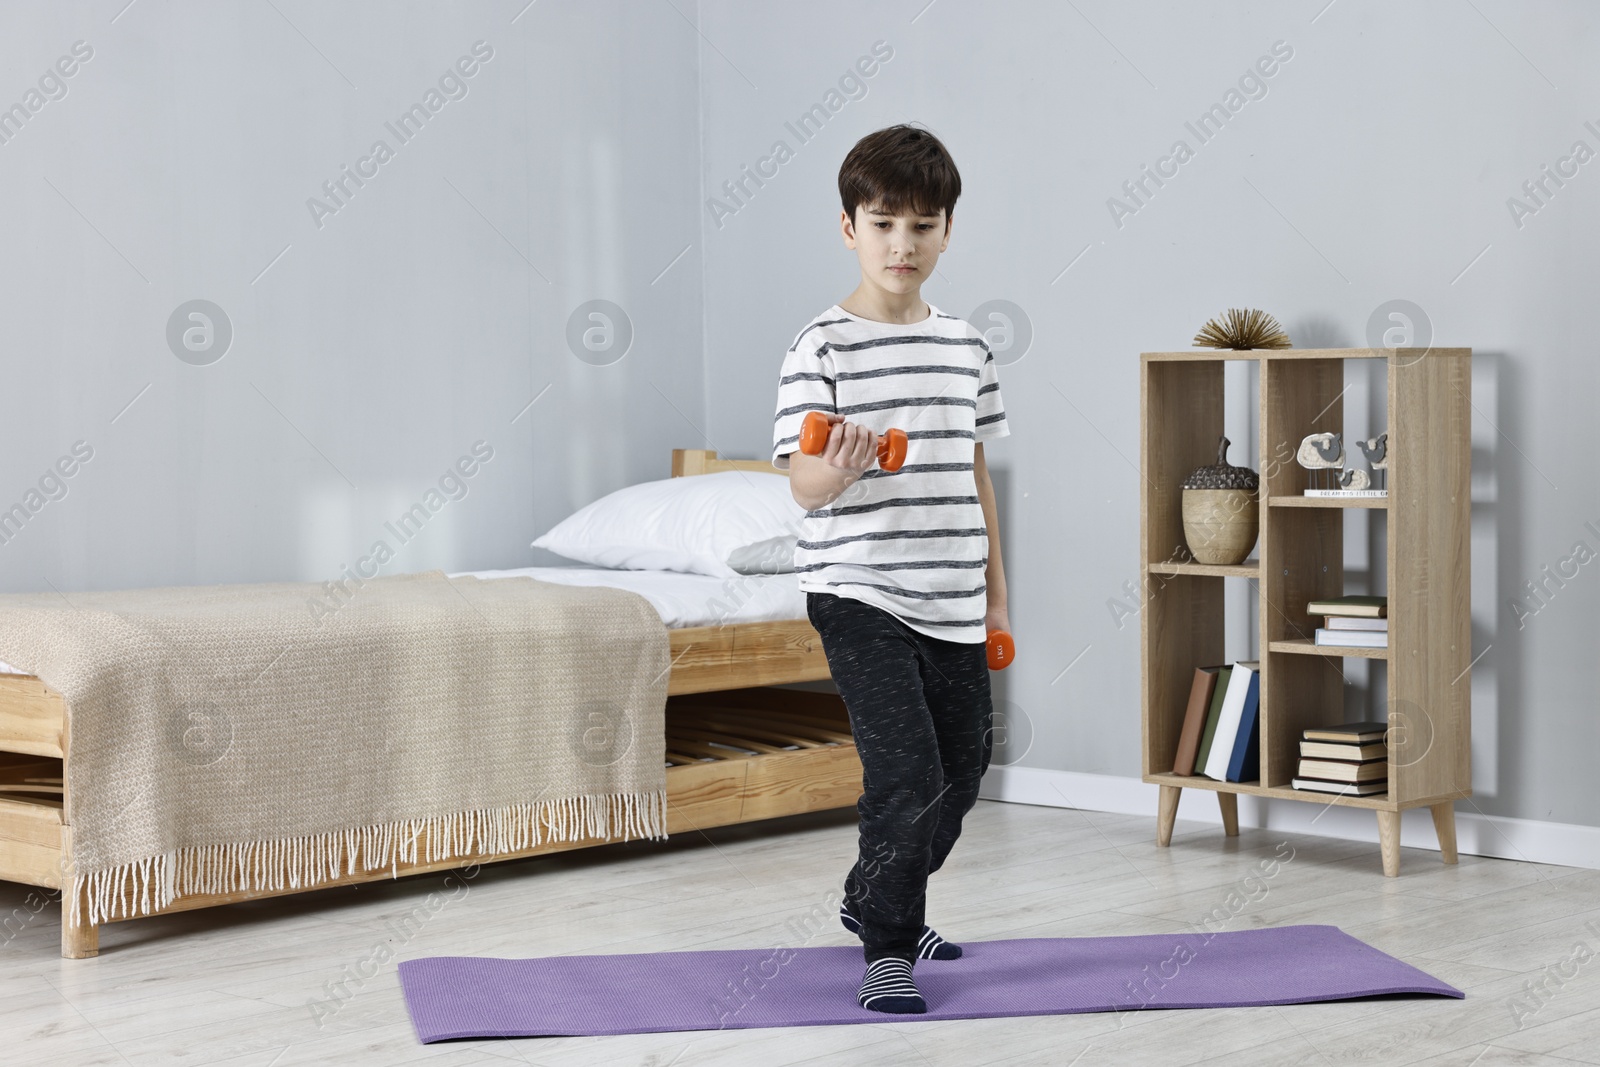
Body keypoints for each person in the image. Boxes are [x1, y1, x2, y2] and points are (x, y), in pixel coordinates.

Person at [769, 123, 1011, 1014]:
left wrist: (997, 593)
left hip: (953, 592)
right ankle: (888, 945)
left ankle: (874, 893)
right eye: (883, 225)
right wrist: (842, 466)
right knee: (905, 775)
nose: (902, 245)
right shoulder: (821, 346)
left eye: (922, 225)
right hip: (859, 588)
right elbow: (801, 483)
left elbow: (976, 471)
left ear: (947, 230)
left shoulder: (966, 346)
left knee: (965, 769)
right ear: (849, 230)